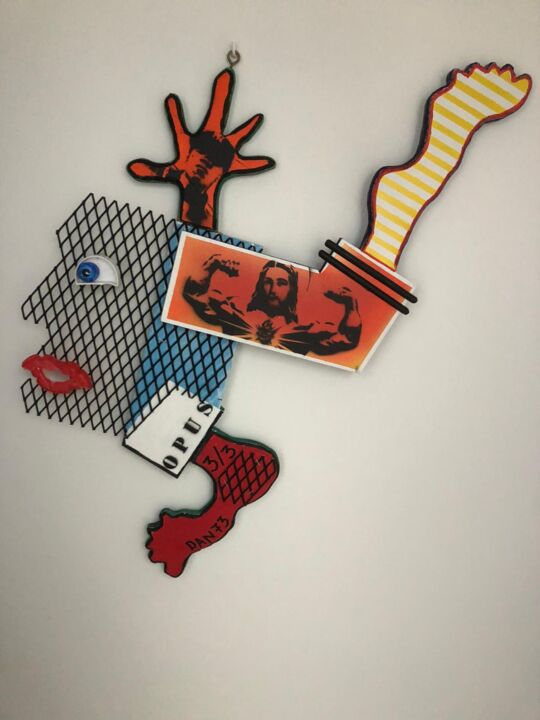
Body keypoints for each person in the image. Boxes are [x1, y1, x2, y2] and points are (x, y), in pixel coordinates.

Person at [182, 255, 362, 357]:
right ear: (260, 285)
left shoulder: (304, 331)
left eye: (281, 283)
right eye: (268, 282)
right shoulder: (235, 313)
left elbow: (347, 339)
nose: (273, 289)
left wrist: (351, 304)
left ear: (292, 289)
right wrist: (213, 263)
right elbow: (193, 294)